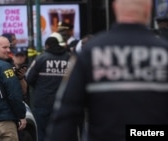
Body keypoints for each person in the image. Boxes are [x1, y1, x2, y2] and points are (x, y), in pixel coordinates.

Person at [45, 0, 168, 141]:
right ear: (148, 10)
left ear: (115, 8)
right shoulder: (164, 52)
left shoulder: (90, 52)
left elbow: (65, 114)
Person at [26, 36, 71, 141]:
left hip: (43, 102)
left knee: (42, 134)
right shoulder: (69, 58)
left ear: (46, 46)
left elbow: (29, 78)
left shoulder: (41, 58)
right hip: (64, 103)